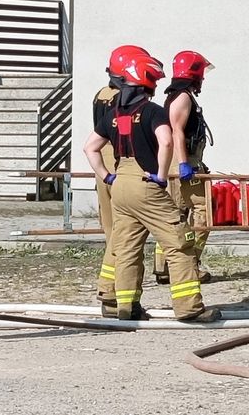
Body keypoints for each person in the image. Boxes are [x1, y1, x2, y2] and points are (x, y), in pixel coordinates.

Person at [83, 51, 220, 322]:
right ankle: (189, 308)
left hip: (120, 183)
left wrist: (107, 176)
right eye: (154, 82)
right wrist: (160, 173)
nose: (157, 86)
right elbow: (167, 141)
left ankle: (124, 307)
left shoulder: (112, 114)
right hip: (145, 183)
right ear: (145, 81)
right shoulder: (152, 111)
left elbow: (90, 147)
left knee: (126, 248)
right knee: (180, 243)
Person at [153, 50, 215, 285]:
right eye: (201, 73)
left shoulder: (174, 95)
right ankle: (189, 265)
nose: (203, 79)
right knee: (204, 212)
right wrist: (183, 164)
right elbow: (177, 130)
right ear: (194, 73)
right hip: (184, 162)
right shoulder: (183, 97)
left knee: (174, 214)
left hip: (176, 161)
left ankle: (164, 266)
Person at [93, 45, 146, 317]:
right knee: (123, 236)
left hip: (102, 168)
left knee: (113, 234)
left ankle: (108, 293)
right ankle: (114, 294)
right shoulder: (124, 99)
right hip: (120, 167)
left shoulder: (101, 95)